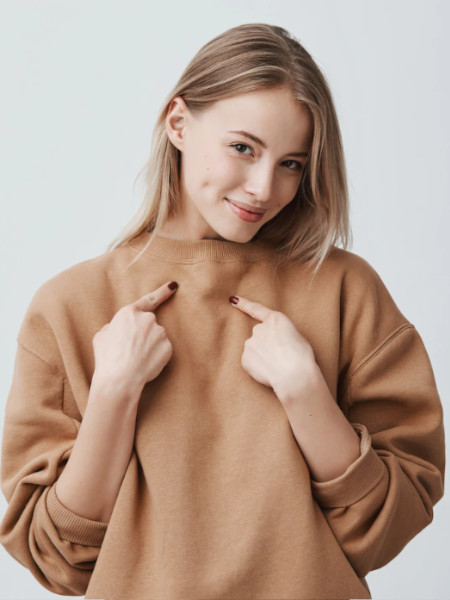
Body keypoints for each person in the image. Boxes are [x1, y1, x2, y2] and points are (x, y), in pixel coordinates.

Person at [0, 22, 445, 600]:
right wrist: (114, 392)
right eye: (243, 148)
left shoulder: (345, 290)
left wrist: (305, 392)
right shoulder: (70, 306)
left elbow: (390, 526)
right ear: (178, 123)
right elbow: (59, 561)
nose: (264, 187)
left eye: (292, 163)